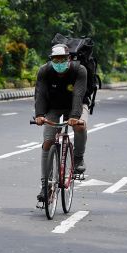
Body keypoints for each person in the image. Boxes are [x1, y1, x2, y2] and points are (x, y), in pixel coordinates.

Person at [34, 43, 89, 202]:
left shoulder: (80, 71)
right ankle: (45, 185)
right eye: (55, 60)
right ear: (50, 60)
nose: (59, 63)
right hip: (54, 107)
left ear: (69, 58)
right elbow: (41, 94)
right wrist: (39, 115)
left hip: (76, 105)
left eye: (62, 59)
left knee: (80, 126)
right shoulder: (44, 71)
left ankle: (78, 158)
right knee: (47, 142)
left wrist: (74, 116)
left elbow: (78, 96)